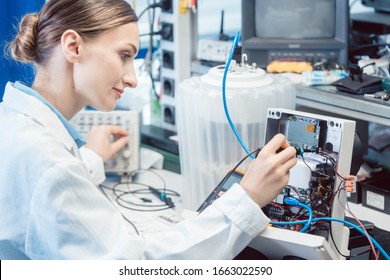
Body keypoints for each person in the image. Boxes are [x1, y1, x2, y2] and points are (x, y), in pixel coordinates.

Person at [0, 0, 297, 260]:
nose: (132, 79)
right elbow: (136, 265)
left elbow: (44, 198)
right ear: (73, 46)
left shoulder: (17, 124)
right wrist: (247, 198)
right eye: (124, 55)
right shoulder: (48, 164)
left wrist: (91, 156)